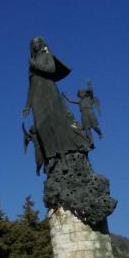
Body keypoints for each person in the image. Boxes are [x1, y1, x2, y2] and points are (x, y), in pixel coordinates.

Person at [21, 36, 90, 173]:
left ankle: (62, 157)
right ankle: (50, 155)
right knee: (40, 126)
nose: (35, 45)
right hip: (37, 97)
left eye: (37, 42)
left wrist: (35, 65)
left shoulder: (46, 56)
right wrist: (27, 105)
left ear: (41, 44)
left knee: (55, 123)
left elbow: (51, 69)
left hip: (49, 91)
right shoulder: (31, 64)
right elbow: (31, 86)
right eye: (33, 43)